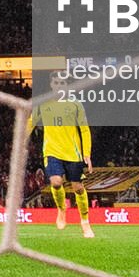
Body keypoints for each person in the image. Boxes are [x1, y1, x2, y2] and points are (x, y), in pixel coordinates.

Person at [31, 97, 94, 238]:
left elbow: (84, 129)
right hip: (52, 151)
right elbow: (30, 122)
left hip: (73, 153)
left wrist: (87, 153)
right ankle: (61, 209)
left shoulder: (75, 104)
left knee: (78, 188)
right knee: (56, 182)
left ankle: (85, 221)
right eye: (57, 83)